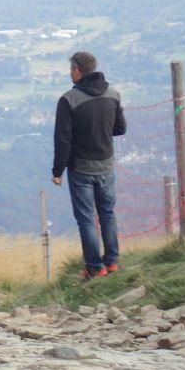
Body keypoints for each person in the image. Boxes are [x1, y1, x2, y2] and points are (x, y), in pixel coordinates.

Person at [52, 52, 126, 280]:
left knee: (86, 218)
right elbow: (120, 128)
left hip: (81, 168)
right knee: (107, 213)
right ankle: (112, 262)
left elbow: (63, 140)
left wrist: (57, 171)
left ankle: (95, 266)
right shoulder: (113, 95)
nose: (70, 73)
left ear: (77, 70)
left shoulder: (69, 100)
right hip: (106, 165)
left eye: (71, 69)